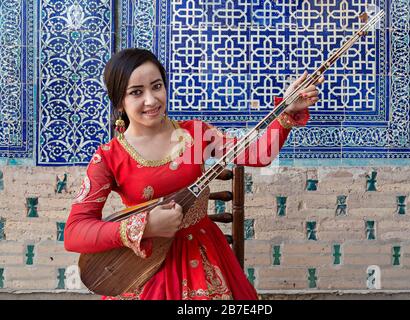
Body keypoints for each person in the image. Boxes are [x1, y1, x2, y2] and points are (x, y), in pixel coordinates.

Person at [64, 48, 324, 300]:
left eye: (157, 86)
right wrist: (143, 227)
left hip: (203, 255)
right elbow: (75, 233)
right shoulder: (110, 157)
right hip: (144, 266)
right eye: (136, 92)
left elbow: (258, 154)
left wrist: (285, 112)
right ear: (120, 101)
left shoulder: (194, 134)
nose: (151, 100)